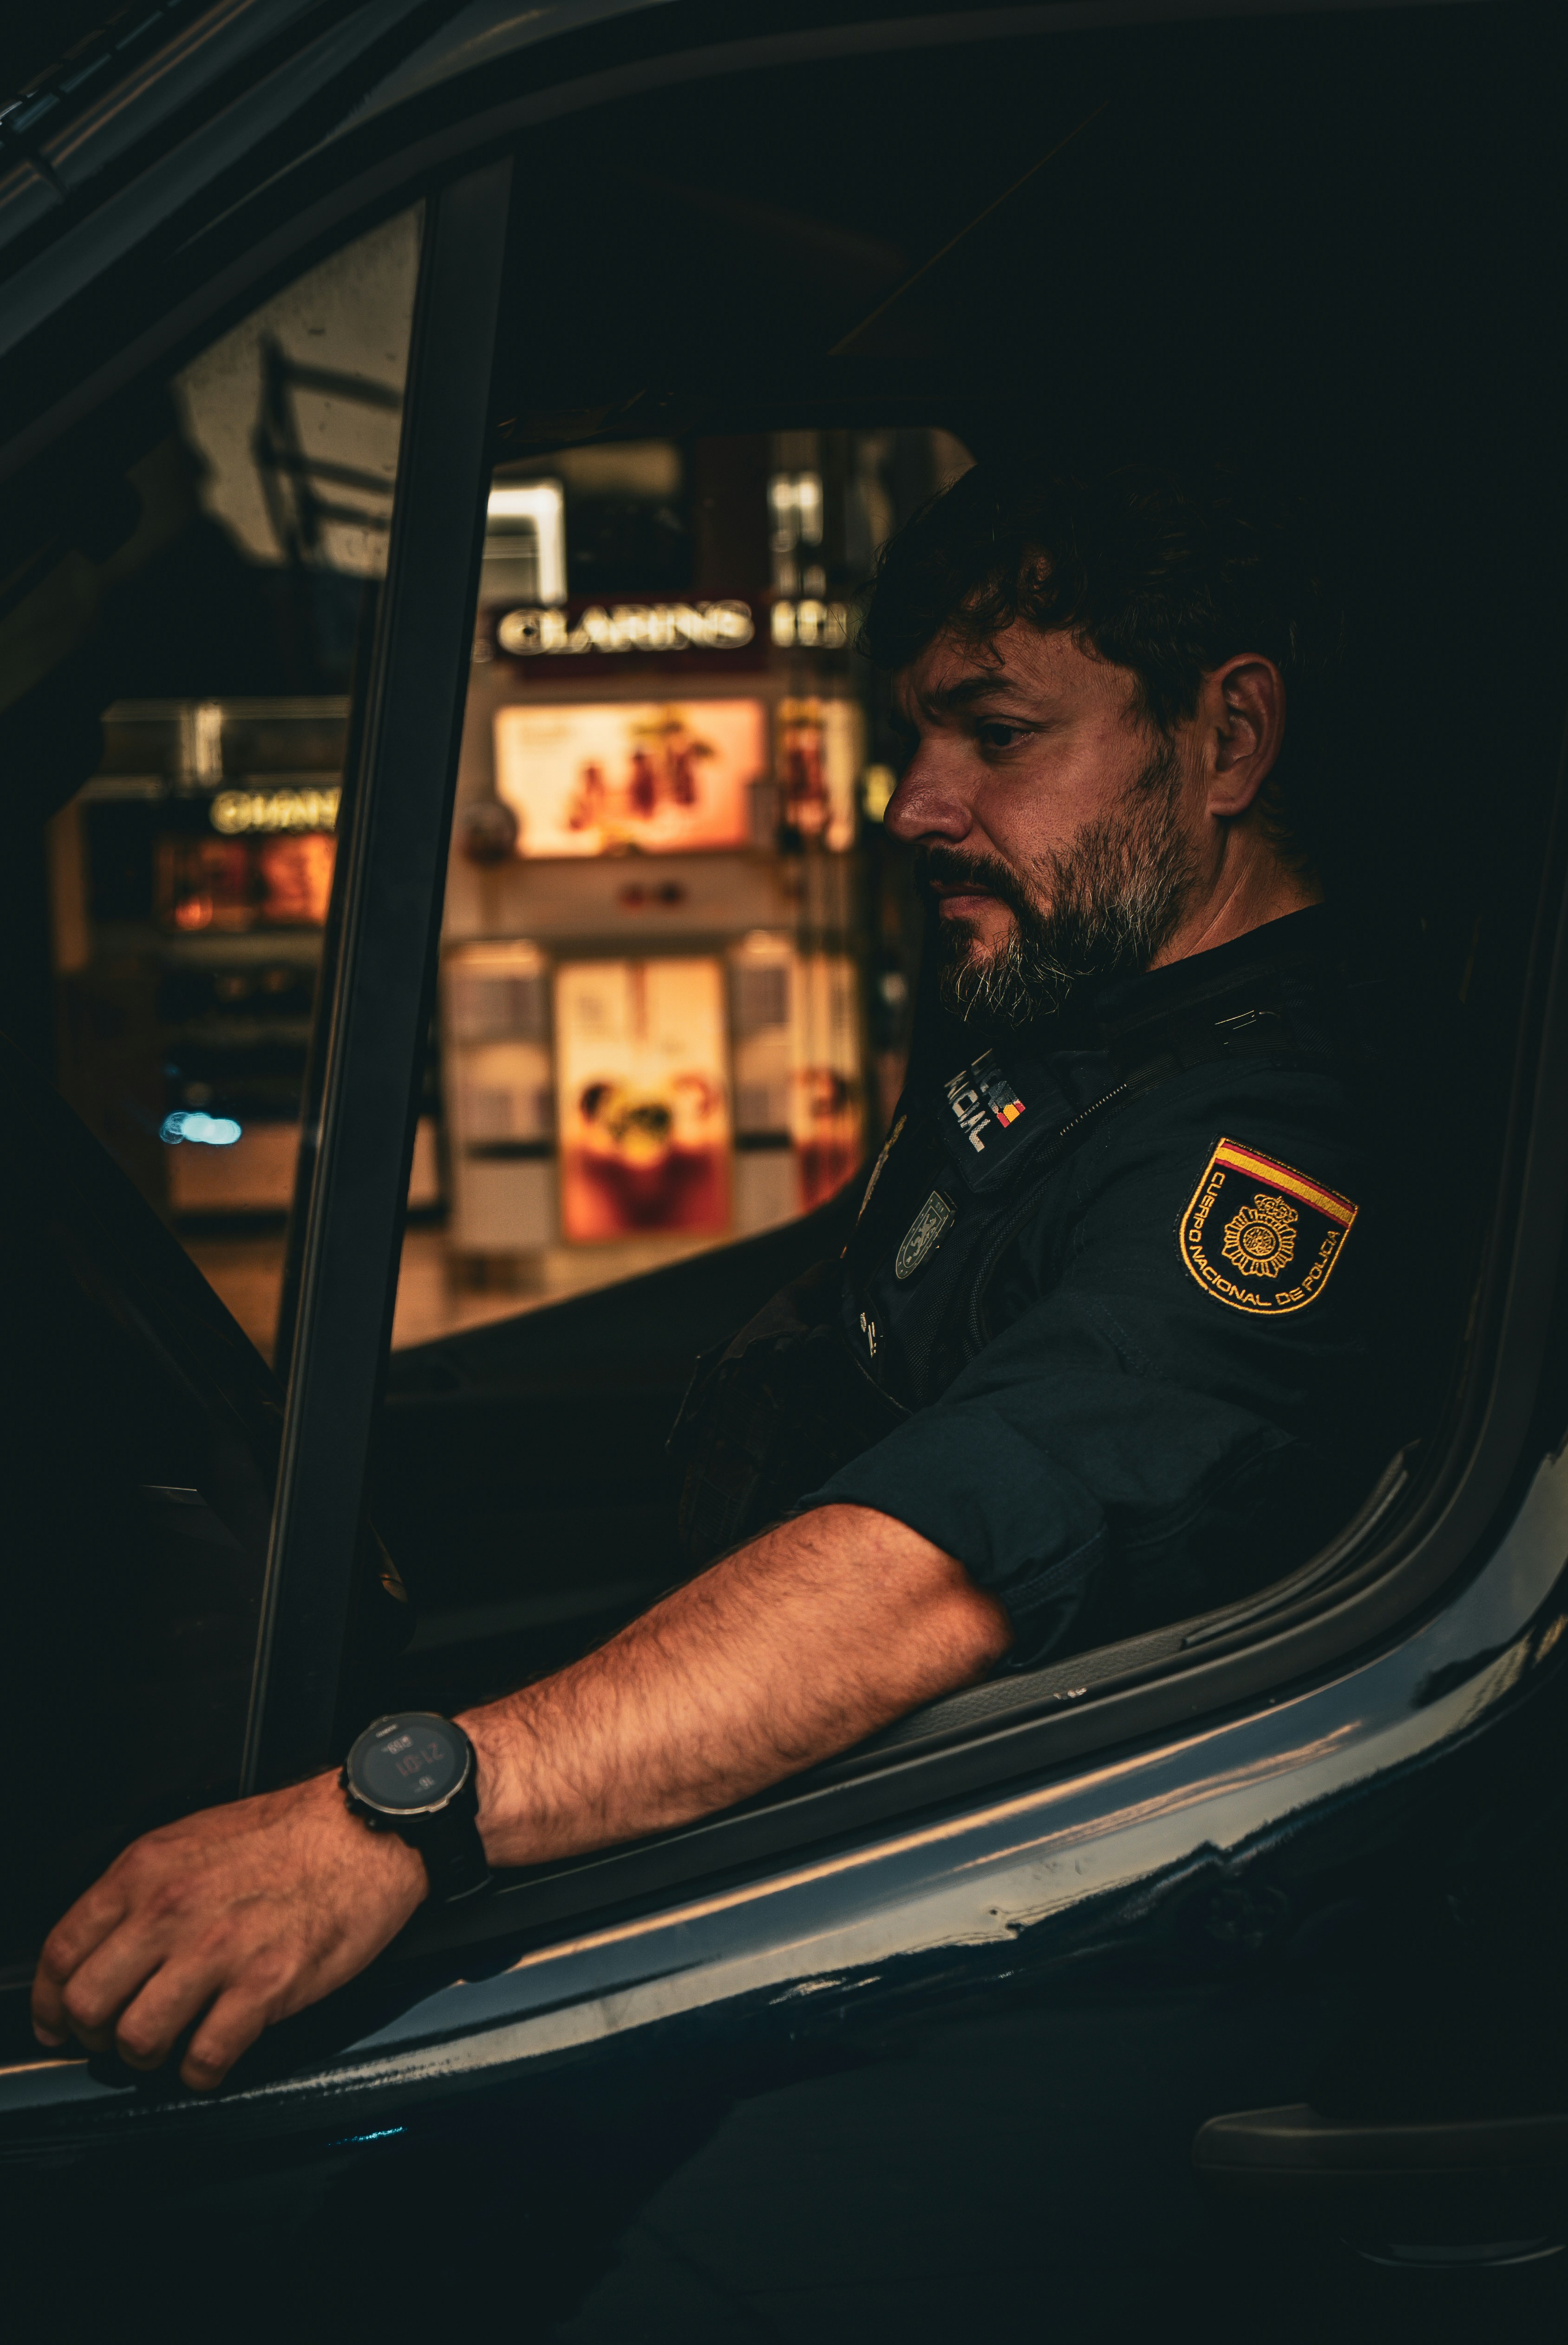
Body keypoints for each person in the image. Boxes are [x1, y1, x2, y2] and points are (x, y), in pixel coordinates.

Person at [32, 452, 1414, 2092]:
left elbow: (948, 1554)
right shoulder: (1085, 1028)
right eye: (919, 737)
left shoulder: (1269, 1135)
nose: (917, 802)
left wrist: (405, 1809)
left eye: (999, 735)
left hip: (995, 1956)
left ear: (1227, 739)